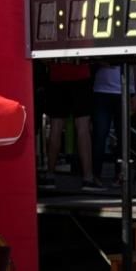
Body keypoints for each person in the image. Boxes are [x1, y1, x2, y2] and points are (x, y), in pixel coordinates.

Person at [43, 61, 98, 190]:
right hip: (80, 73)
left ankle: (50, 175)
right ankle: (88, 178)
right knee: (83, 126)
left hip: (56, 73)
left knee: (56, 126)